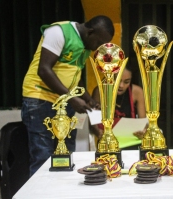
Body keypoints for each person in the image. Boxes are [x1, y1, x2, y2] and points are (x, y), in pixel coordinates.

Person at [21, 15, 114, 176]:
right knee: (43, 157)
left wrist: (87, 99)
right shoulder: (59, 32)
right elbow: (44, 70)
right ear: (90, 32)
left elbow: (74, 76)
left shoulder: (85, 45)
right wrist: (71, 99)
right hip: (40, 99)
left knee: (67, 155)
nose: (97, 48)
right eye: (99, 42)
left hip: (63, 102)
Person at [90, 64, 146, 141]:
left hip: (130, 139)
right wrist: (97, 131)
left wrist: (142, 131)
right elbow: (94, 120)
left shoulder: (137, 92)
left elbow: (142, 122)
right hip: (107, 140)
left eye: (126, 82)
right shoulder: (100, 91)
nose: (121, 85)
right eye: (117, 81)